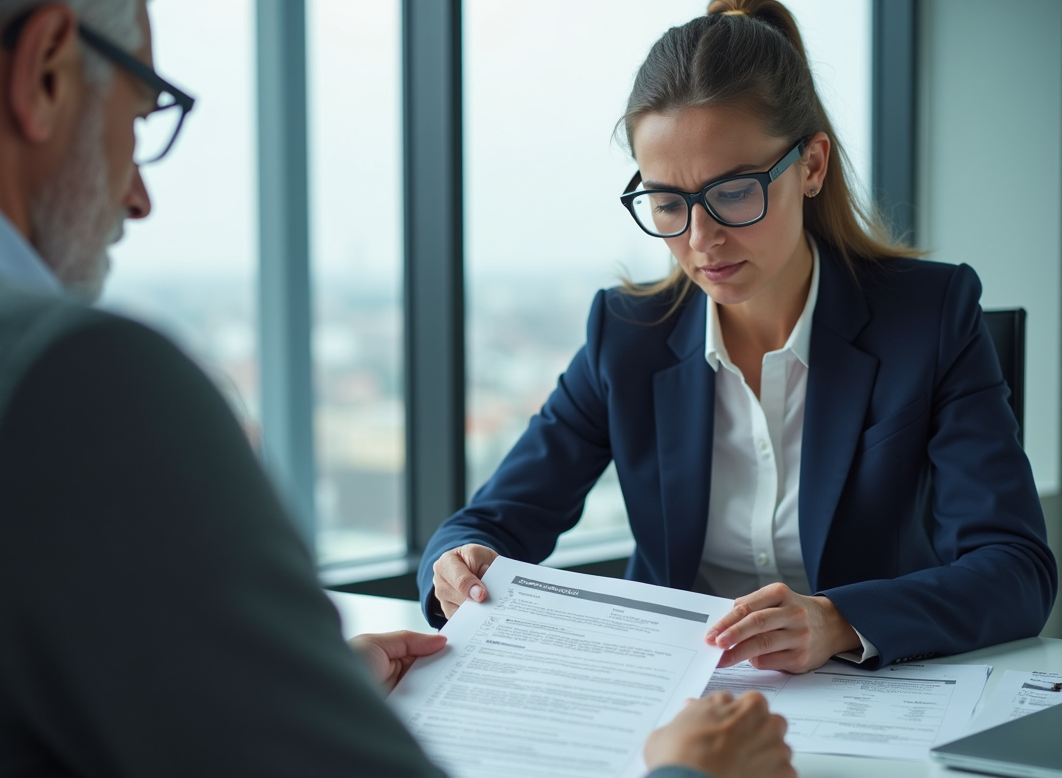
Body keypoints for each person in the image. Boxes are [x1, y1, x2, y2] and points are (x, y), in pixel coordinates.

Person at [0, 2, 796, 778]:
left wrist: (274, 703)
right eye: (140, 119)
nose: (138, 196)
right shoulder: (67, 380)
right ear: (46, 71)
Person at [421, 0, 1058, 674]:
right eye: (668, 202)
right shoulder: (627, 336)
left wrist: (838, 620)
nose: (701, 240)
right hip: (674, 694)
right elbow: (493, 520)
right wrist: (457, 563)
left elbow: (1015, 570)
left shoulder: (929, 318)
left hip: (866, 689)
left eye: (732, 193)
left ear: (812, 166)